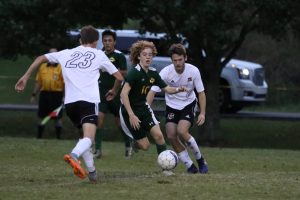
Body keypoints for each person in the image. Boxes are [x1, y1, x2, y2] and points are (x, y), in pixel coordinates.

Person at [15, 25, 124, 183]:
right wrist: (114, 91)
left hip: (71, 105)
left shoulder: (65, 53)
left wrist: (25, 77)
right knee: (89, 138)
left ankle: (92, 174)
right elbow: (119, 77)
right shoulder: (99, 55)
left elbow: (40, 58)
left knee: (83, 138)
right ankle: (74, 155)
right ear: (96, 41)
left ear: (81, 40)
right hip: (88, 101)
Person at [119, 40, 186, 175]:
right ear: (139, 56)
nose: (148, 57)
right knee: (145, 146)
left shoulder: (153, 73)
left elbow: (167, 89)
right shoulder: (134, 73)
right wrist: (131, 115)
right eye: (145, 54)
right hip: (129, 111)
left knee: (159, 136)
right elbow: (123, 94)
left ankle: (166, 169)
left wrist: (179, 89)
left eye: (150, 54)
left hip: (143, 109)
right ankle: (135, 143)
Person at [147, 43, 208, 174]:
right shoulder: (166, 72)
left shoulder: (193, 71)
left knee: (182, 131)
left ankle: (200, 160)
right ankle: (190, 166)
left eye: (180, 60)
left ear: (185, 58)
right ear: (171, 60)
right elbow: (152, 91)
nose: (178, 63)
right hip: (171, 106)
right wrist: (147, 109)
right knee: (171, 135)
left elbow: (201, 93)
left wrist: (202, 113)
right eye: (175, 60)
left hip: (188, 104)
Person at [94, 29, 132, 159]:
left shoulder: (119, 56)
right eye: (105, 40)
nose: (107, 43)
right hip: (101, 93)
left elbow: (124, 73)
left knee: (119, 123)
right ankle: (98, 150)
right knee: (99, 118)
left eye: (110, 40)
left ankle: (128, 144)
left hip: (116, 93)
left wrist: (115, 88)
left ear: (114, 42)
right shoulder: (99, 55)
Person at [30, 48, 64, 139]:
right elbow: (38, 82)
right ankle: (39, 137)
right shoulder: (43, 66)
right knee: (42, 116)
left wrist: (65, 96)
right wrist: (34, 94)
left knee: (57, 117)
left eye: (55, 54)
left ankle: (58, 138)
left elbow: (66, 83)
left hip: (57, 95)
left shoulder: (61, 67)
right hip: (44, 94)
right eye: (51, 55)